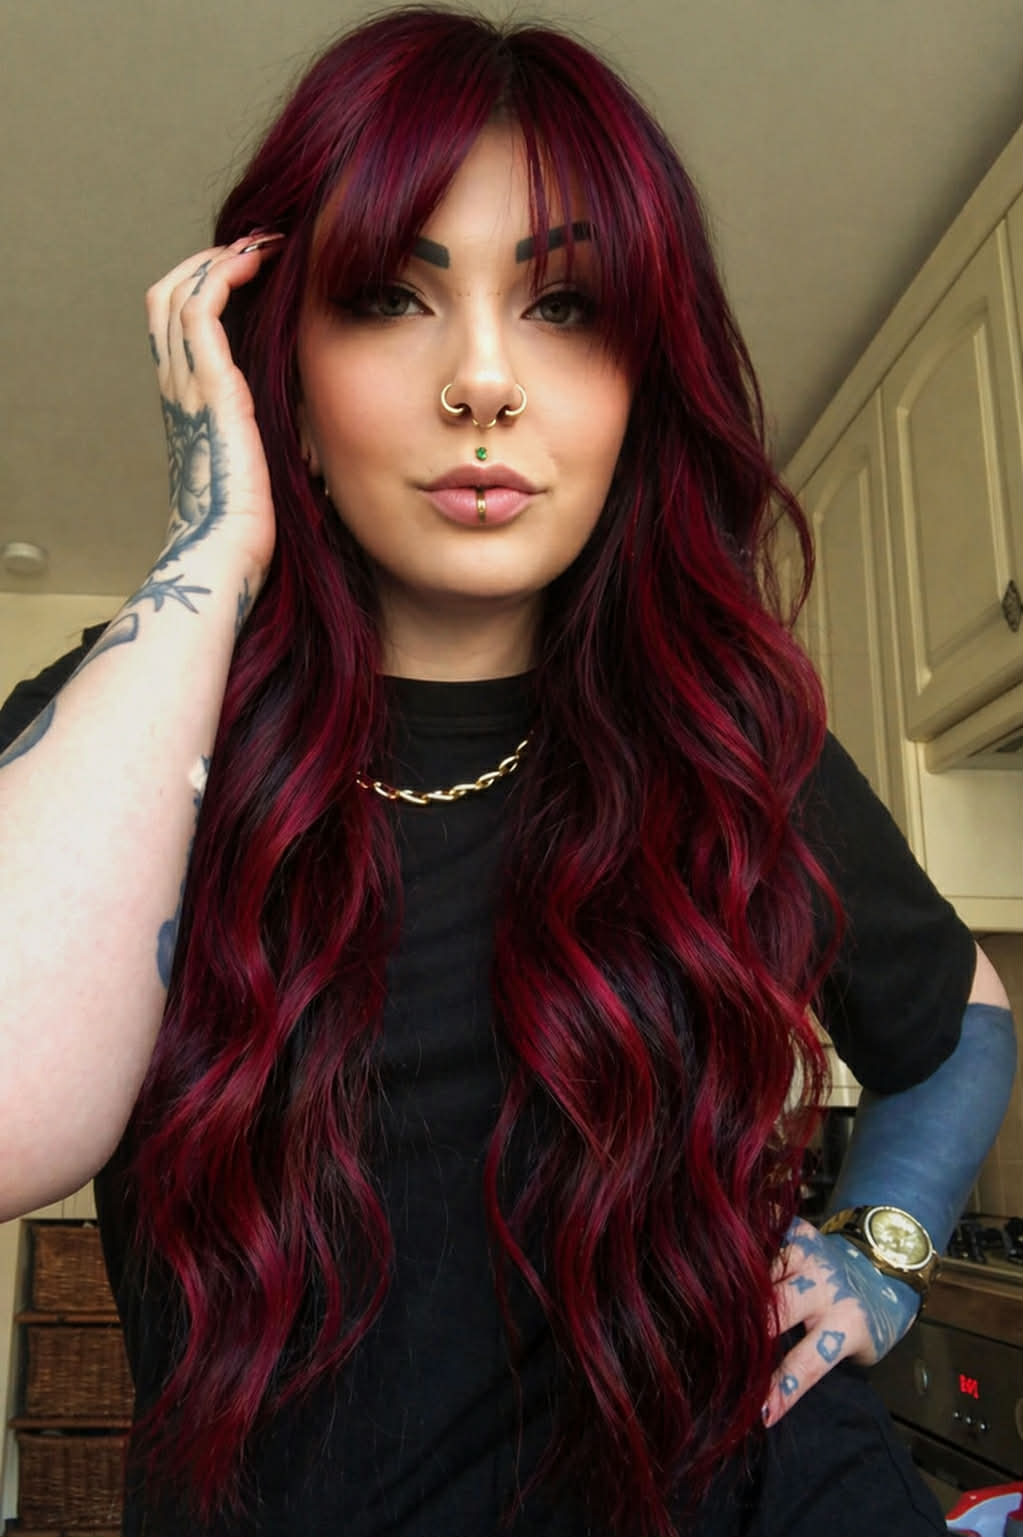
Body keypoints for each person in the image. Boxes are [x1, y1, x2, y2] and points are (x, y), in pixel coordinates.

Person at [0, 7, 1015, 1535]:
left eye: (564, 304)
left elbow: (961, 1021)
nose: (483, 380)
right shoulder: (133, 713)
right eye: (390, 297)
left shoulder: (725, 727)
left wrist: (885, 1245)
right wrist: (213, 541)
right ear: (284, 375)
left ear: (638, 383)